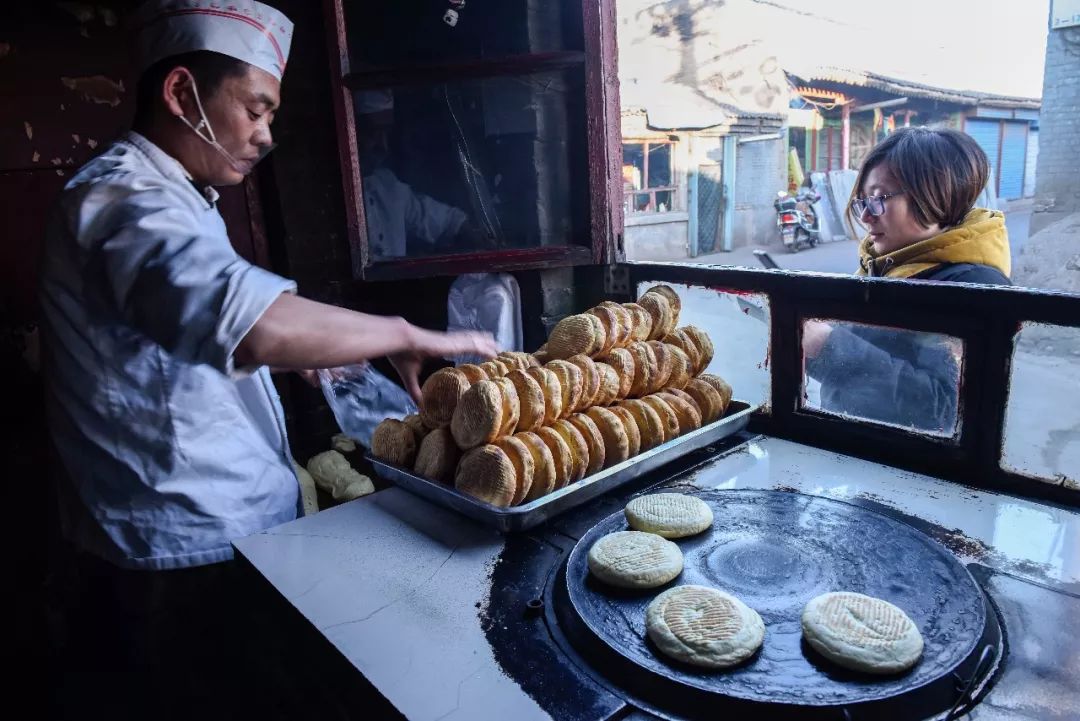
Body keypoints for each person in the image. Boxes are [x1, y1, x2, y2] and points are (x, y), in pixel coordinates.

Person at [41, 2, 496, 717]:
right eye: (255, 108)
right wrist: (405, 333)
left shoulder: (181, 197)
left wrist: (295, 358)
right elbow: (245, 322)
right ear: (181, 94)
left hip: (224, 533)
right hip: (178, 551)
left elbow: (176, 340)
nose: (265, 135)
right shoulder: (122, 198)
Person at [804, 127, 1010, 433]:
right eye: (864, 201)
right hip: (854, 452)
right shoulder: (889, 263)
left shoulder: (973, 288)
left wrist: (827, 346)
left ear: (933, 195)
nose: (865, 217)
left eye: (879, 198)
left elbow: (944, 408)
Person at [355, 89, 490, 258]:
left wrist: (470, 232)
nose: (383, 146)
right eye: (372, 133)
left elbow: (436, 219)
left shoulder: (387, 185)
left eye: (386, 133)